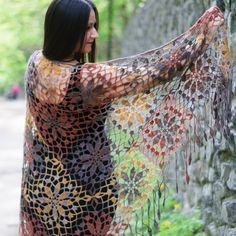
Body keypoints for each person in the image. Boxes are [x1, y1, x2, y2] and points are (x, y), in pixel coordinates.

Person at [19, 0, 232, 235]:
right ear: (67, 28)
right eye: (88, 28)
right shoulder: (89, 79)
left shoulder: (35, 63)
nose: (95, 34)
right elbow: (158, 72)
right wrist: (201, 35)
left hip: (42, 188)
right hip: (86, 194)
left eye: (95, 26)